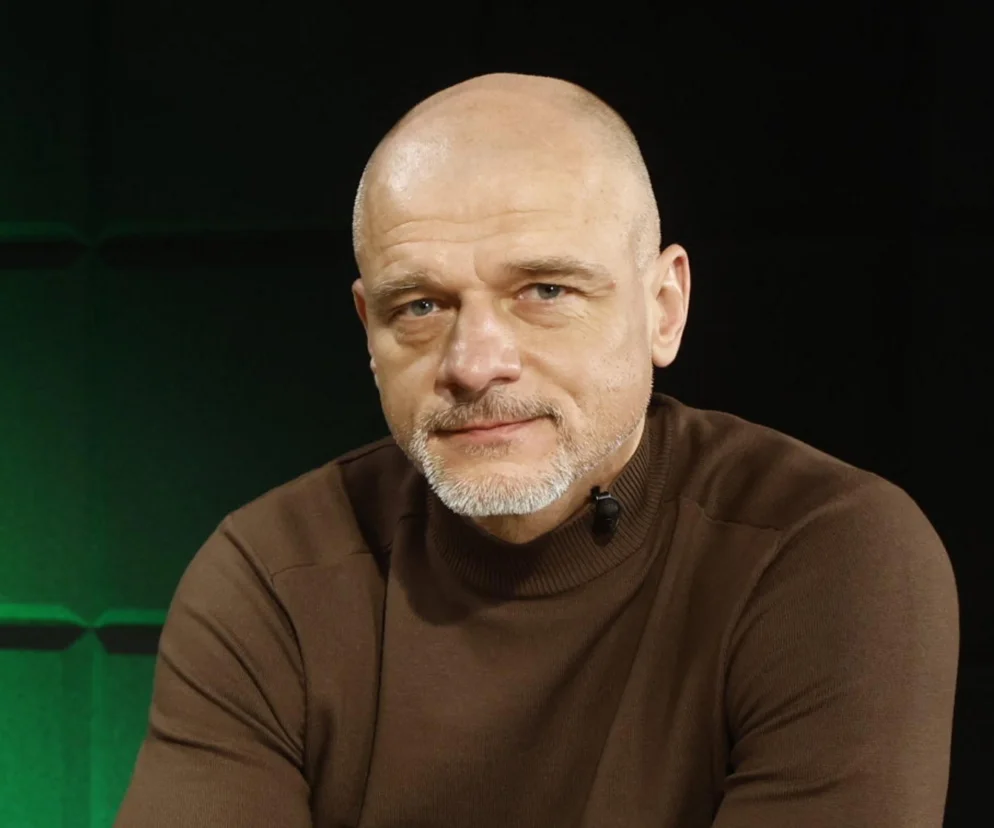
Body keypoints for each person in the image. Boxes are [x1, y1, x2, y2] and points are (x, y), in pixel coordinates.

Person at [115, 73, 959, 827]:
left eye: (545, 290)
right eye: (421, 307)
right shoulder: (270, 577)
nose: (474, 363)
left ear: (663, 309)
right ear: (369, 330)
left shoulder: (824, 550)